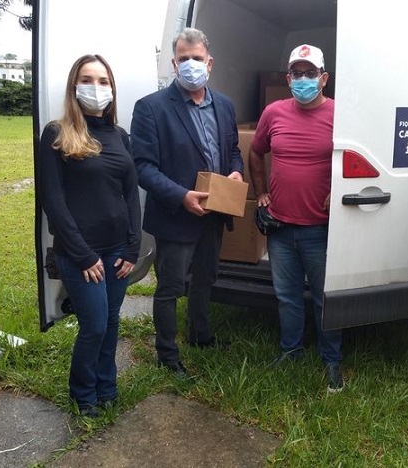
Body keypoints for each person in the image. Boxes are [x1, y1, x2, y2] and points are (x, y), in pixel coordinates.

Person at [130, 28, 243, 378]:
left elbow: (233, 150)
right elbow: (142, 167)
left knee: (206, 278)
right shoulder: (151, 108)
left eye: (197, 58)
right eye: (184, 58)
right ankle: (167, 355)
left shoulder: (224, 105)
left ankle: (200, 335)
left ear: (210, 63)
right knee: (170, 287)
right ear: (174, 63)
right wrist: (181, 196)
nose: (191, 64)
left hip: (214, 212)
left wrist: (236, 172)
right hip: (176, 215)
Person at [39, 54, 141, 417]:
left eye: (103, 81)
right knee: (94, 326)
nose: (95, 87)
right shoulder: (57, 134)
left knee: (111, 323)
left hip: (118, 252)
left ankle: (107, 387)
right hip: (80, 255)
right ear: (74, 86)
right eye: (87, 79)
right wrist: (83, 255)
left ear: (112, 89)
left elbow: (130, 194)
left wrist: (133, 246)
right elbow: (53, 202)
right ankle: (83, 394)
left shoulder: (120, 136)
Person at [249, 44, 344, 393]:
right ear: (288, 78)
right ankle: (290, 351)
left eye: (310, 73)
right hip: (280, 227)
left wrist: (342, 188)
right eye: (297, 73)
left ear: (324, 78)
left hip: (321, 228)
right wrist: (261, 192)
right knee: (287, 296)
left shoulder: (341, 115)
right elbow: (256, 152)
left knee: (324, 298)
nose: (304, 79)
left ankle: (331, 359)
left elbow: (354, 158)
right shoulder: (273, 113)